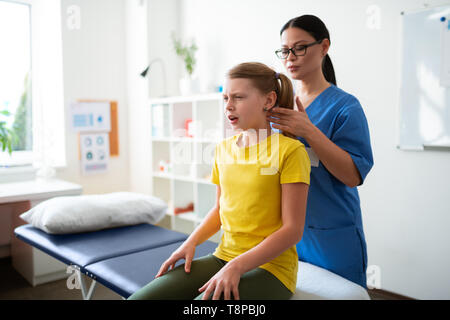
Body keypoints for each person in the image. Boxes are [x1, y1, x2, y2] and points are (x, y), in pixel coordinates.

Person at [128, 62, 311, 300]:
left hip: (271, 270)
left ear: (268, 100)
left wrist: (236, 267)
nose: (228, 106)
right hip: (223, 256)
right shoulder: (224, 149)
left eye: (238, 97)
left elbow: (292, 231)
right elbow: (219, 209)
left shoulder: (290, 151)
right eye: (225, 98)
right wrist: (190, 243)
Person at [268, 14, 374, 288]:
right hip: (287, 233)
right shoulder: (277, 106)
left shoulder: (345, 107)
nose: (290, 57)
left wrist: (309, 131)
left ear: (324, 46)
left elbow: (352, 175)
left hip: (332, 234)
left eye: (300, 47)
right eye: (285, 50)